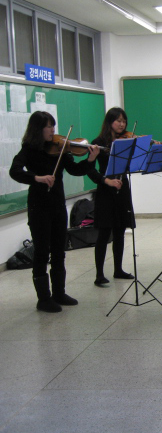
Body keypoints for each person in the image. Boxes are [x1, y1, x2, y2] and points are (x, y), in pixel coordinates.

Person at [9, 111, 99, 312]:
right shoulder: (29, 149)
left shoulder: (60, 149)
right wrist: (36, 178)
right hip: (39, 207)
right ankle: (43, 299)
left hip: (57, 205)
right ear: (38, 129)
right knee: (42, 252)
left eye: (53, 126)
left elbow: (75, 170)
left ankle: (59, 293)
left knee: (59, 250)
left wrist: (91, 159)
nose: (53, 130)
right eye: (49, 126)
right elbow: (14, 171)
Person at [87, 107, 138, 286]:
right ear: (110, 122)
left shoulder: (126, 141)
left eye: (124, 121)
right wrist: (106, 180)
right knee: (104, 233)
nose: (122, 124)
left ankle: (118, 269)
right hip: (105, 189)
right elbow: (90, 170)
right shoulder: (98, 142)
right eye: (118, 121)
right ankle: (99, 274)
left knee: (120, 230)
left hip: (122, 187)